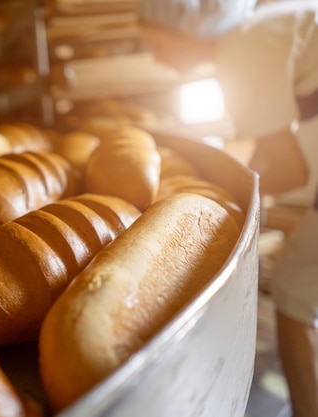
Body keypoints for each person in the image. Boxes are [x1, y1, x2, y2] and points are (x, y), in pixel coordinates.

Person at [137, 1, 318, 416]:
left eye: (155, 43)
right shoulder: (259, 31)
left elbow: (290, 170)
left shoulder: (239, 51)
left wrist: (218, 197)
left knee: (294, 290)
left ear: (182, 26)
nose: (156, 57)